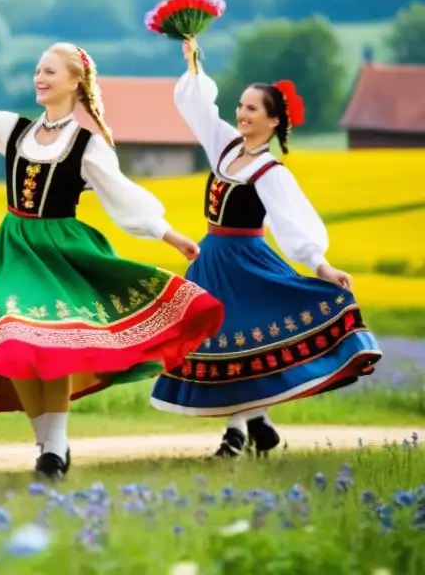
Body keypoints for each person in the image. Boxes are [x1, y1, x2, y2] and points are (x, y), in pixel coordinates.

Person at [0, 42, 225, 479]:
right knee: (15, 342)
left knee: (53, 345)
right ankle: (46, 443)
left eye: (49, 72)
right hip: (17, 248)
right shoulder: (13, 129)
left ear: (74, 82)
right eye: (37, 71)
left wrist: (166, 233)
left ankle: (55, 444)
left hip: (61, 249)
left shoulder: (88, 145)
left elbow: (123, 196)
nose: (39, 78)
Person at [150, 39, 382, 458]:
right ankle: (258, 424)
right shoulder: (224, 145)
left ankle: (236, 435)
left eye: (252, 108)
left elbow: (291, 220)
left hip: (246, 264)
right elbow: (200, 110)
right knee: (221, 345)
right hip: (210, 260)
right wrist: (194, 65)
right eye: (240, 105)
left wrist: (319, 264)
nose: (241, 113)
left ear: (273, 121)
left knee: (240, 343)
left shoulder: (269, 171)